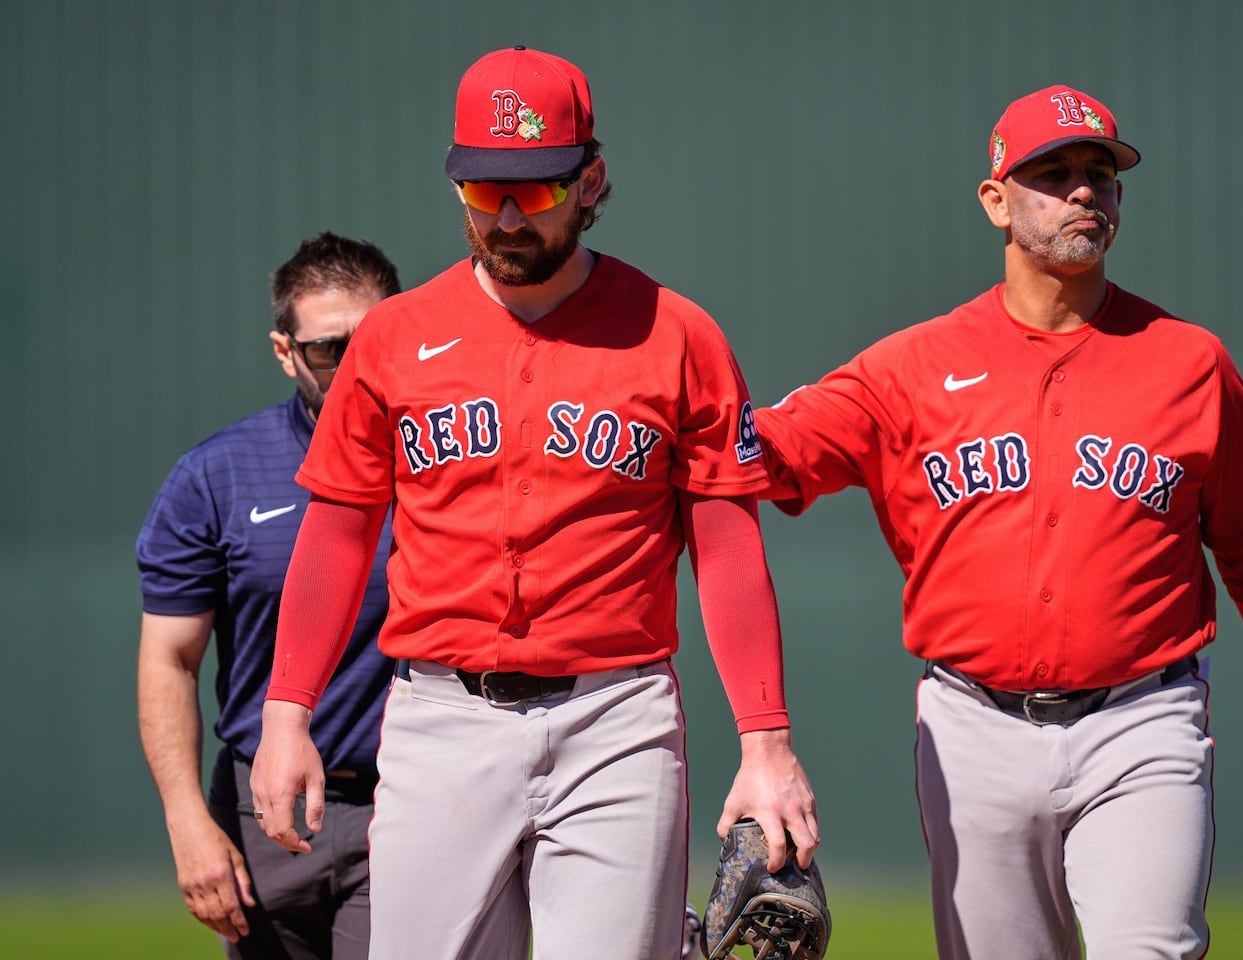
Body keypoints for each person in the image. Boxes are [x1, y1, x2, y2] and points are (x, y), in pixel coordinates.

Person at [754, 85, 1243, 959]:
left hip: (1142, 722)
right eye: (1053, 174)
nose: (1084, 191)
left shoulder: (1189, 363)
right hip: (973, 730)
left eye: (1100, 174)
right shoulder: (911, 369)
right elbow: (757, 455)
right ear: (996, 201)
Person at [248, 45, 818, 960]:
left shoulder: (677, 334)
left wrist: (765, 743)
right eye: (484, 190)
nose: (508, 215)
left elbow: (727, 548)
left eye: (537, 189)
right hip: (441, 716)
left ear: (592, 180)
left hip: (617, 719)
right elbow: (338, 533)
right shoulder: (396, 336)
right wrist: (287, 716)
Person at [137, 232, 401, 958]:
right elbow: (171, 658)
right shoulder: (216, 476)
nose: (349, 366)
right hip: (265, 808)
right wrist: (187, 821)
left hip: (409, 802)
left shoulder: (444, 463)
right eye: (325, 349)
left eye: (368, 339)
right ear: (285, 351)